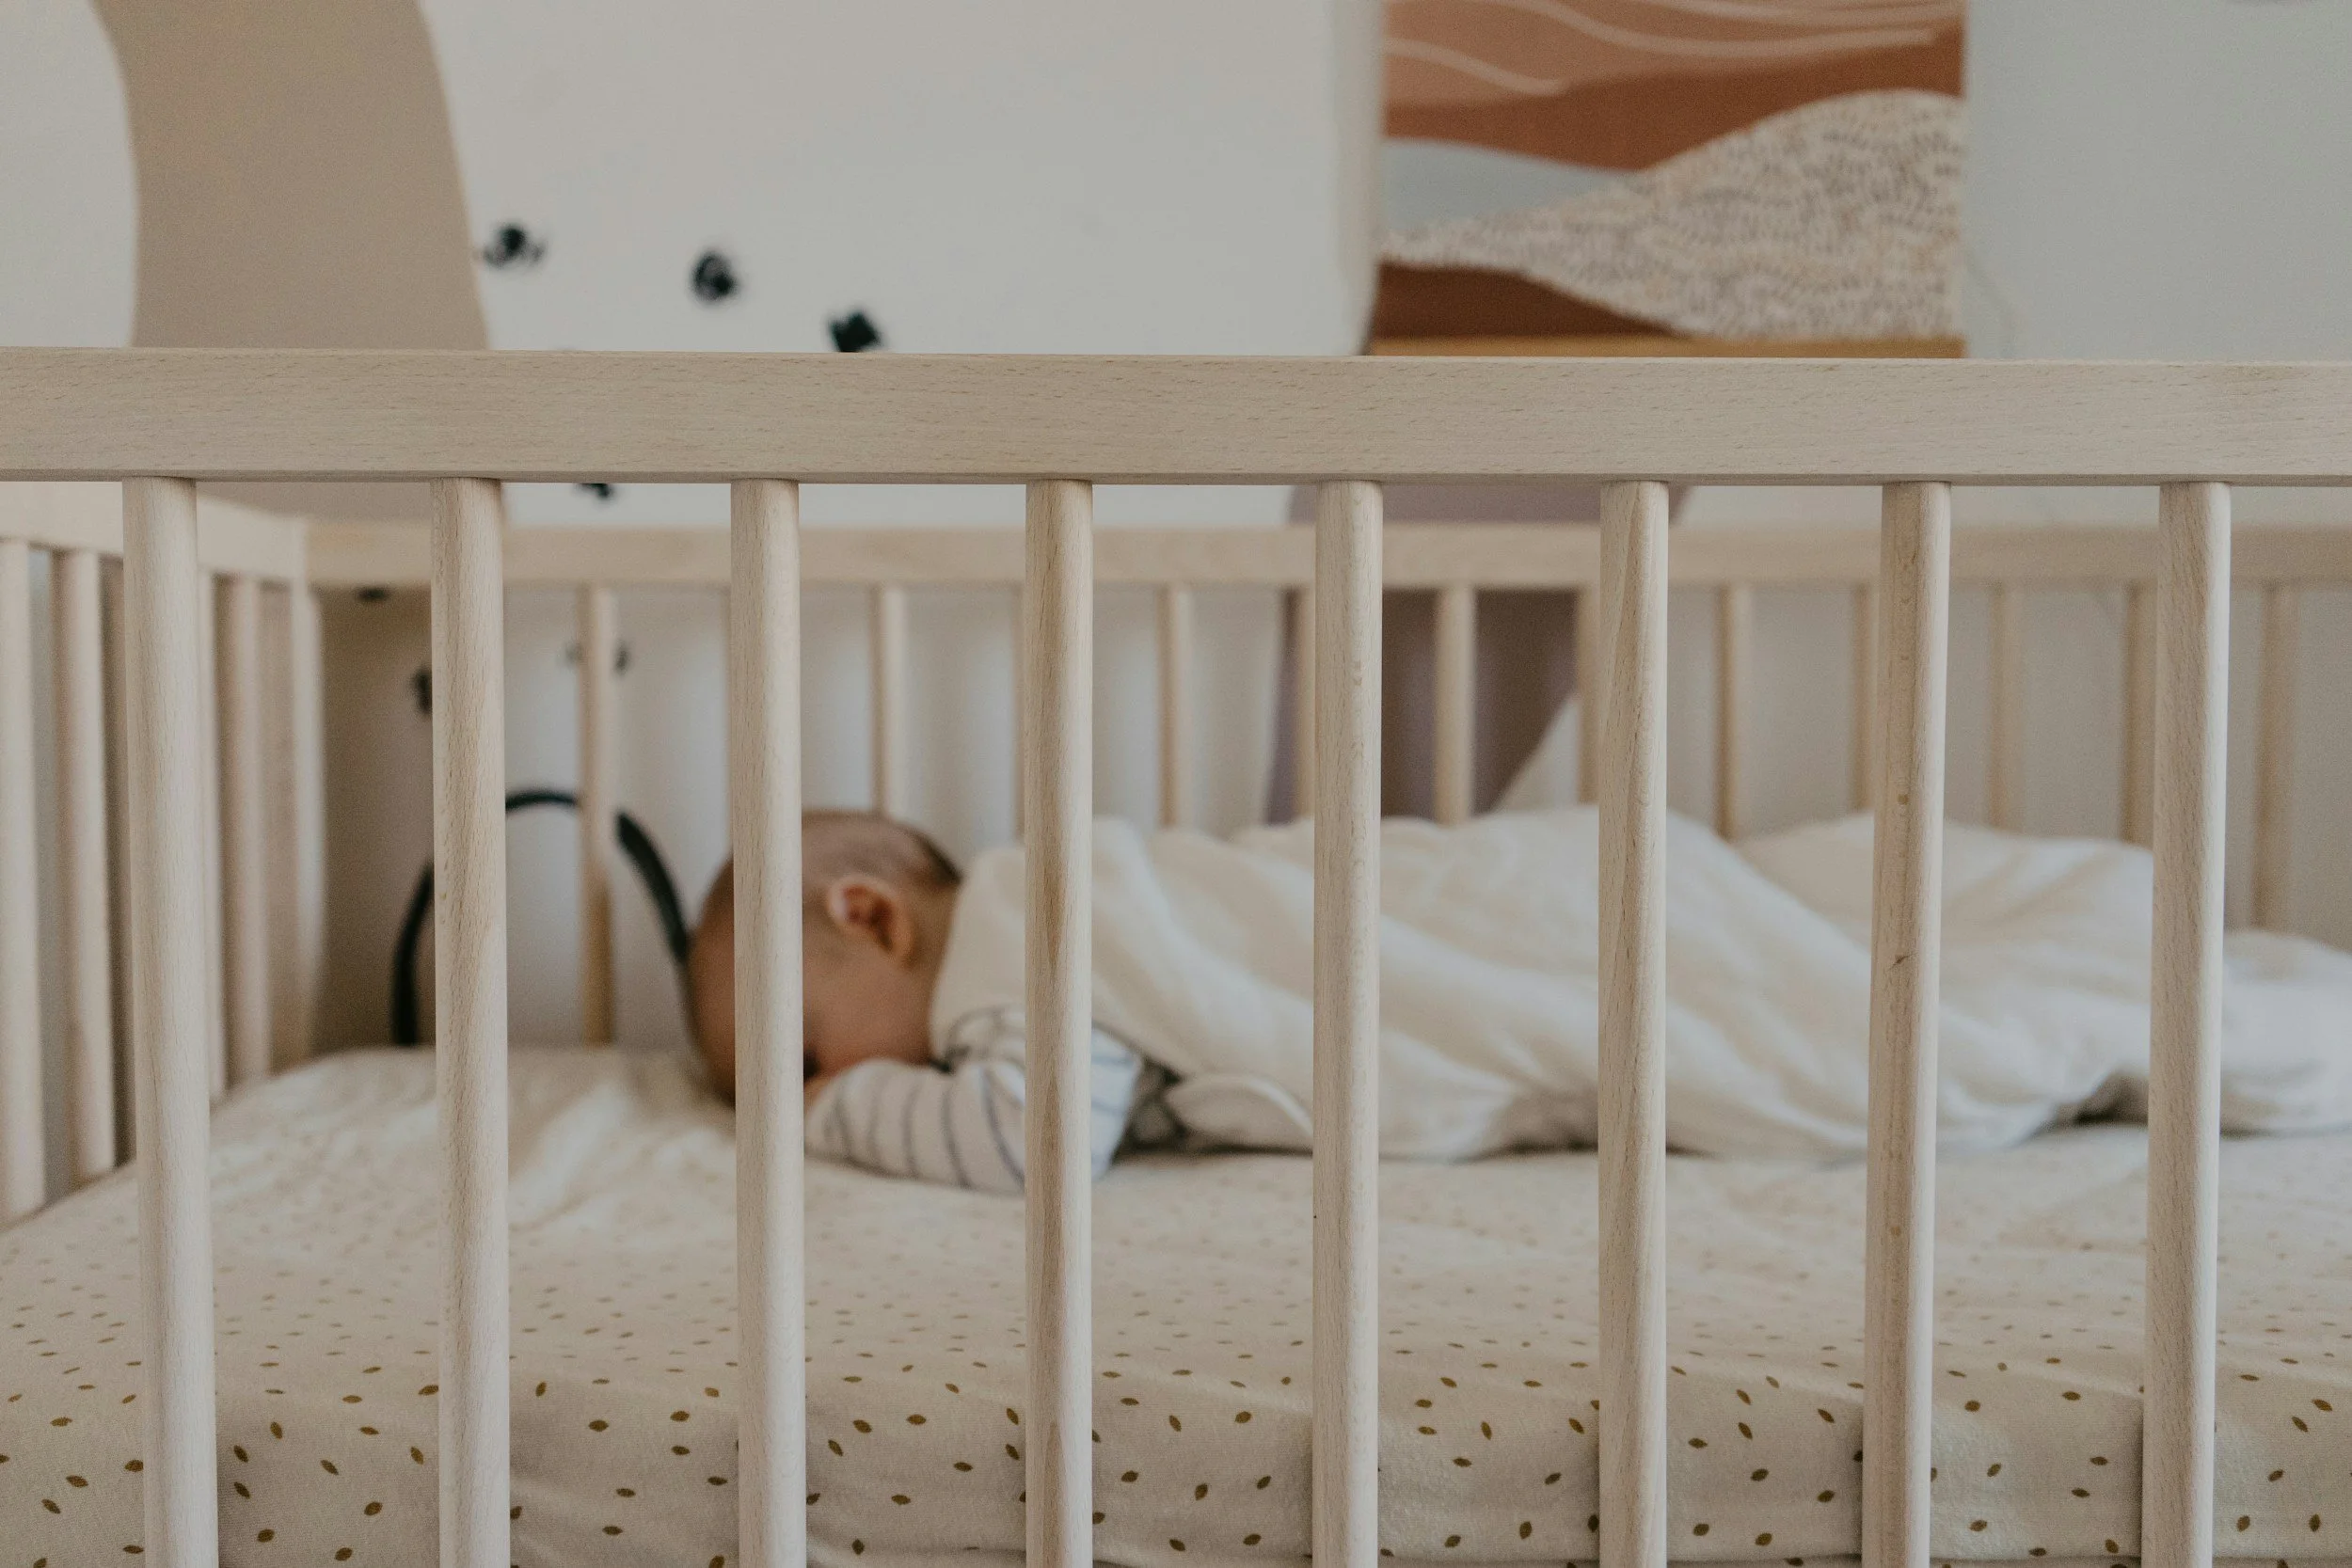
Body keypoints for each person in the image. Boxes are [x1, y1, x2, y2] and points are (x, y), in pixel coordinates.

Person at [687, 811, 1168, 1194]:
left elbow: (1044, 1145)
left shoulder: (1006, 940)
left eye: (808, 1061)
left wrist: (829, 1109)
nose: (806, 1091)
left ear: (872, 921)